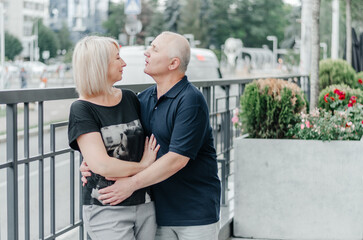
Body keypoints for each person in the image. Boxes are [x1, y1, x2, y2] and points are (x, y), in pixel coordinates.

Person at [81, 31, 221, 240]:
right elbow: (126, 139)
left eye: (154, 49)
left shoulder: (191, 100)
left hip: (193, 212)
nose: (146, 52)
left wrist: (130, 185)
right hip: (155, 210)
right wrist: (91, 162)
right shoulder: (143, 99)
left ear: (173, 64)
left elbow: (176, 160)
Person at [68, 35, 160, 240]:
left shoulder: (129, 98)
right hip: (107, 208)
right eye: (117, 58)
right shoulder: (82, 109)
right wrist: (145, 166)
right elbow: (103, 166)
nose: (124, 63)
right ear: (100, 65)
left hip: (145, 202)